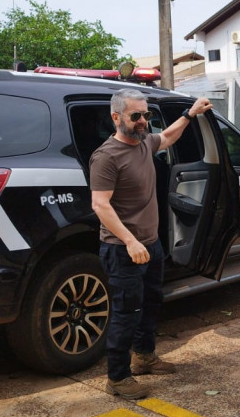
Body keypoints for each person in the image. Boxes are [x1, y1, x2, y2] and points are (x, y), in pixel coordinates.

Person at [90, 88, 213, 400]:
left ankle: (143, 357)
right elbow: (100, 205)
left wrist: (190, 113)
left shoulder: (144, 143)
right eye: (136, 116)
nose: (143, 121)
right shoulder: (106, 157)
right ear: (116, 117)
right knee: (126, 312)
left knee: (151, 303)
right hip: (123, 250)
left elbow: (169, 137)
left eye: (146, 115)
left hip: (150, 245)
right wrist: (130, 241)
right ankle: (117, 378)